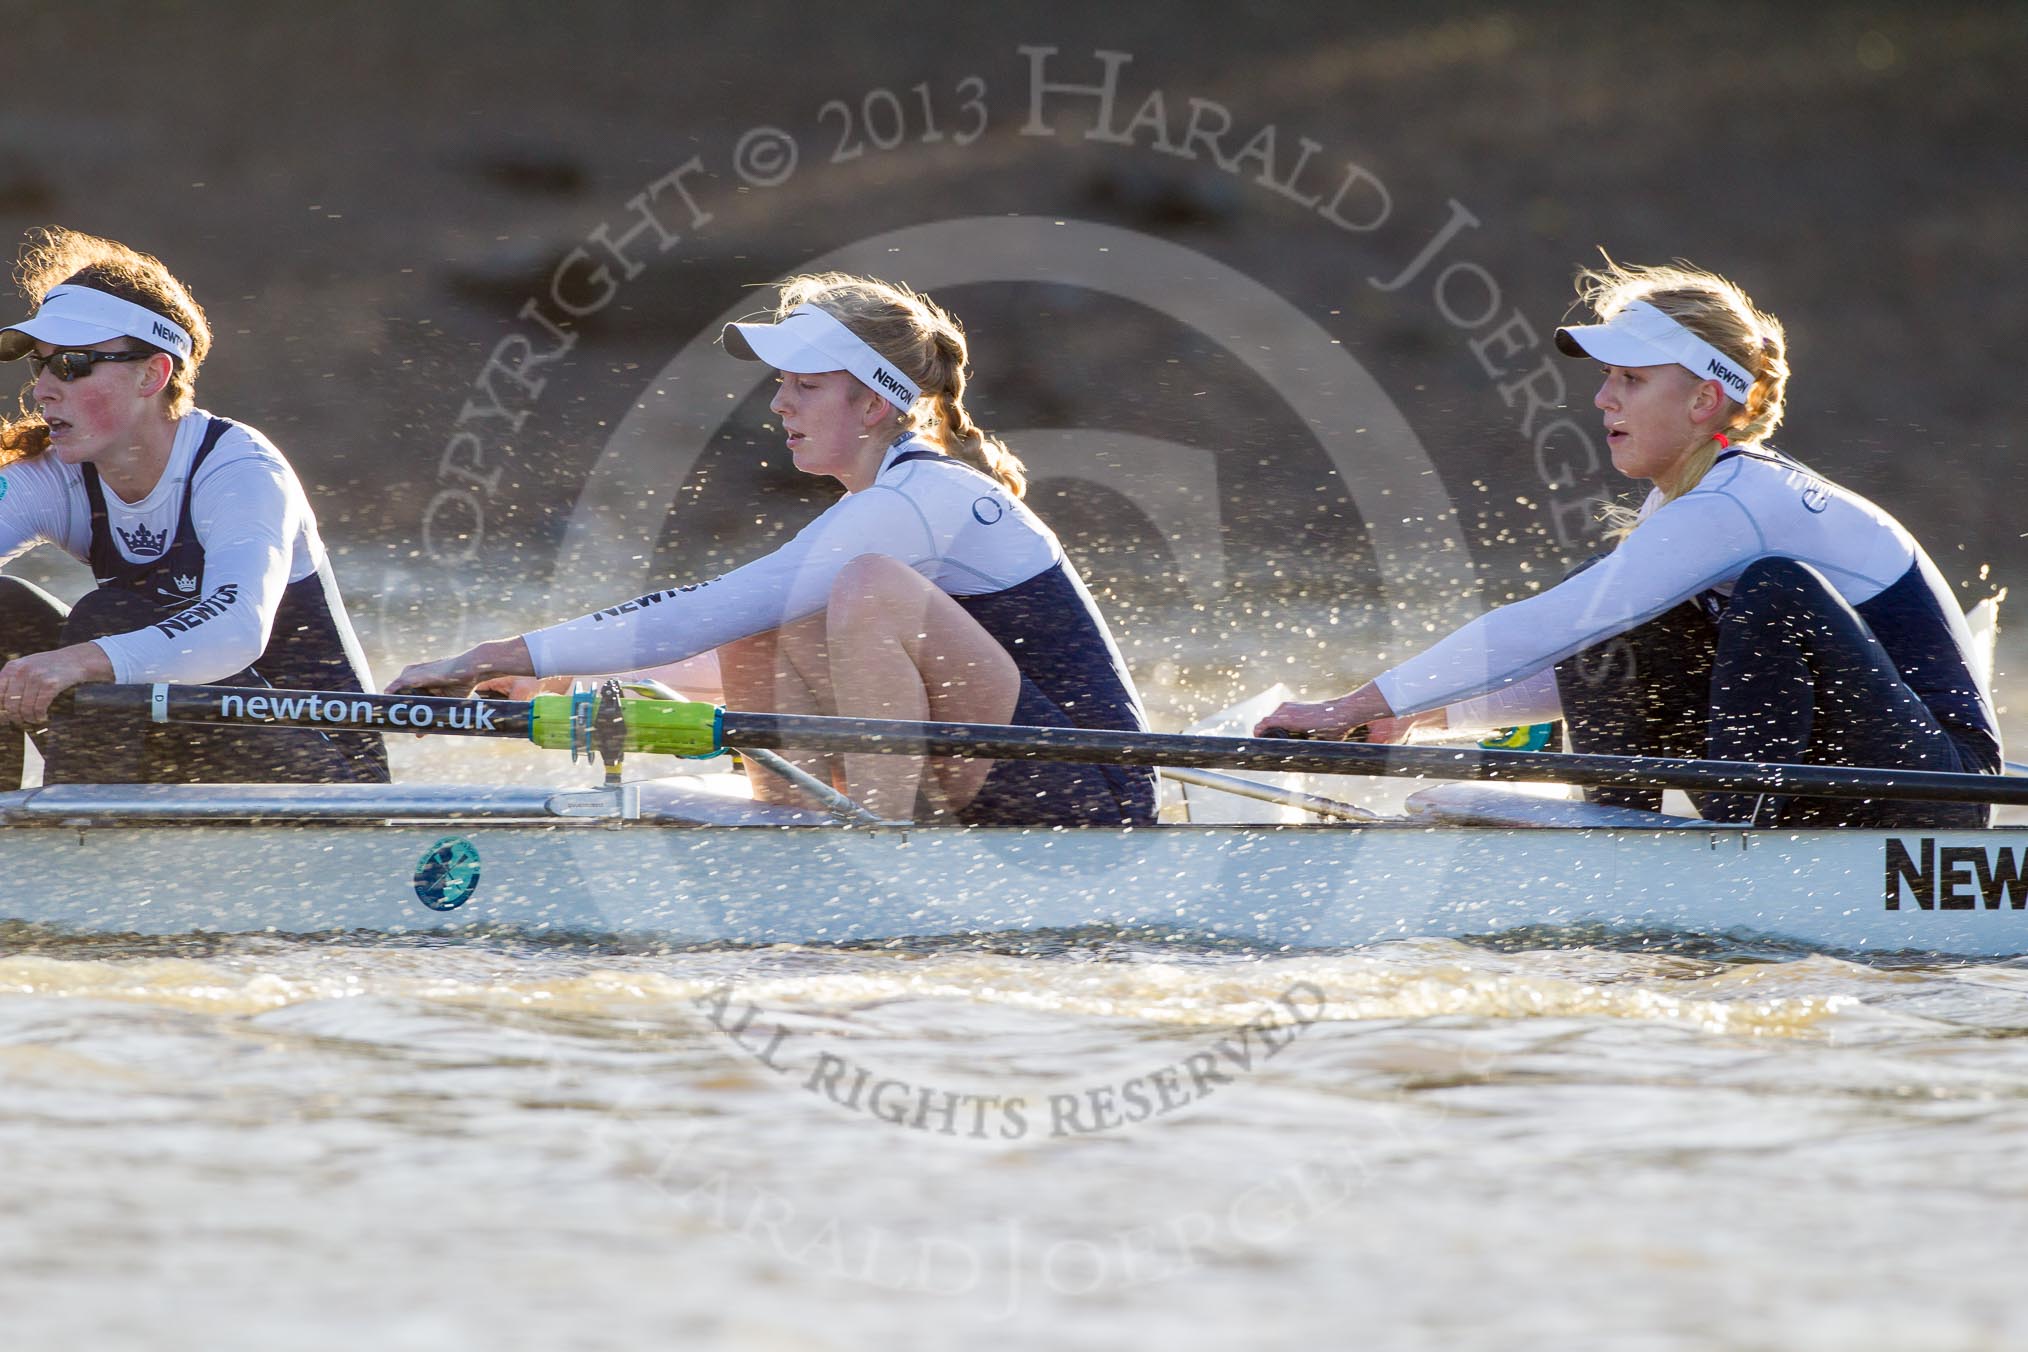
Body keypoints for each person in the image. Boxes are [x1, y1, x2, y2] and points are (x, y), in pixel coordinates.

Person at [389, 272, 1155, 825]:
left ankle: (877, 850)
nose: (780, 403)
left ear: (873, 401)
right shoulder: (883, 503)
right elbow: (721, 630)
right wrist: (556, 688)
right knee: (769, 618)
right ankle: (788, 831)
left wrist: (502, 652)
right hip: (1007, 769)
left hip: (1093, 796)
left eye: (805, 386)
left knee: (860, 589)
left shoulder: (923, 499)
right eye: (781, 383)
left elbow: (702, 610)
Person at [1257, 259, 2001, 828]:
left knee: (1770, 590)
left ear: (1705, 398)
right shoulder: (1688, 503)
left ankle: (1734, 858)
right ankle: (1624, 846)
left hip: (1937, 794)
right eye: (1609, 377)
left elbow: (1549, 622)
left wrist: (1348, 703)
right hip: (1853, 775)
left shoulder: (1740, 503)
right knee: (1617, 610)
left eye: (1631, 379)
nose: (1602, 399)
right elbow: (1586, 656)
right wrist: (1423, 714)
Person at [0, 227, 387, 785]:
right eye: (41, 366)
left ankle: (79, 843)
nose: (42, 392)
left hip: (324, 780)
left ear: (152, 374)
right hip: (165, 755)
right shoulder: (54, 477)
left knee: (106, 618)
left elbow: (237, 629)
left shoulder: (240, 470)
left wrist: (79, 662)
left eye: (72, 365)